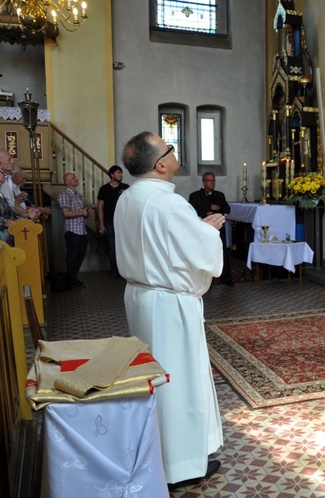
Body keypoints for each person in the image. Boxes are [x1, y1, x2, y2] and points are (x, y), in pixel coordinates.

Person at [114, 131, 224, 487]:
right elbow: (194, 254)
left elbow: (159, 246)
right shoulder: (170, 204)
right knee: (178, 384)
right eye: (170, 148)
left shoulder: (128, 198)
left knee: (154, 380)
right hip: (169, 304)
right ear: (161, 164)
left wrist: (196, 230)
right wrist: (207, 231)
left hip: (140, 297)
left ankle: (163, 454)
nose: (175, 152)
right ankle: (180, 467)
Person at [188, 171, 233, 286]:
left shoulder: (220, 195)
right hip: (203, 230)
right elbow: (191, 211)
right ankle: (204, 279)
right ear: (203, 182)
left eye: (213, 180)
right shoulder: (195, 196)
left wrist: (219, 207)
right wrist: (205, 214)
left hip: (218, 230)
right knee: (204, 253)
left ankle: (226, 277)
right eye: (209, 180)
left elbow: (227, 209)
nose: (212, 183)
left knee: (222, 252)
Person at [58, 172, 91, 289]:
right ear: (67, 182)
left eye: (75, 177)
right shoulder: (65, 194)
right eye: (72, 178)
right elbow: (66, 213)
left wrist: (86, 213)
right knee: (72, 256)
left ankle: (73, 278)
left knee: (81, 254)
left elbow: (80, 212)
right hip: (72, 230)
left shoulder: (77, 194)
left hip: (81, 230)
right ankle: (72, 280)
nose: (76, 179)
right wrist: (81, 213)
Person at [97, 165, 130, 280]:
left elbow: (131, 204)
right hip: (109, 222)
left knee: (124, 247)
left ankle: (124, 271)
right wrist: (101, 224)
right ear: (112, 175)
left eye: (121, 172)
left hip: (124, 223)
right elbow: (100, 207)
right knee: (112, 247)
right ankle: (114, 270)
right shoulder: (104, 189)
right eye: (118, 173)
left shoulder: (126, 187)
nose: (120, 175)